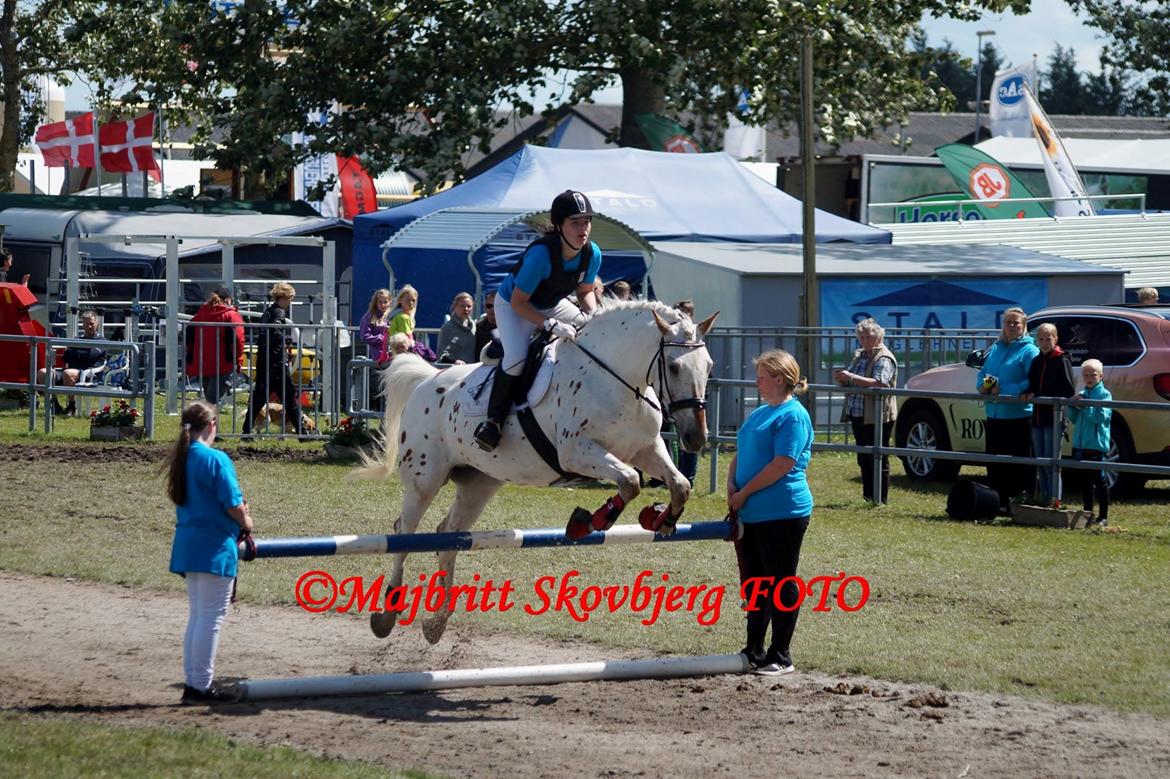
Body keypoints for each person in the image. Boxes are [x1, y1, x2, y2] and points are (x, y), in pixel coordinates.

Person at [473, 189, 601, 452]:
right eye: (575, 222)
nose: (583, 228)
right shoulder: (542, 256)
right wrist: (550, 325)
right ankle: (492, 422)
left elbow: (585, 291)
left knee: (592, 334)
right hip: (512, 304)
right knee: (517, 358)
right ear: (559, 226)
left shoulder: (592, 253)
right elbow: (521, 302)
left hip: (552, 303)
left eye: (587, 221)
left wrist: (592, 316)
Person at [727, 350, 814, 676]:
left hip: (783, 512)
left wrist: (745, 492)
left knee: (780, 580)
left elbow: (783, 464)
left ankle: (781, 654)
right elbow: (742, 451)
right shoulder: (762, 412)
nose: (757, 381)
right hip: (752, 511)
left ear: (779, 378)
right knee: (755, 583)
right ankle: (754, 649)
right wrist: (731, 486)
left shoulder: (793, 415)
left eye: (762, 376)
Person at [166, 400, 252, 704]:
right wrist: (247, 520)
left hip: (189, 544)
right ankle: (200, 685)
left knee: (198, 616)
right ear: (212, 425)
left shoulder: (183, 457)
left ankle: (195, 681)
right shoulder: (216, 459)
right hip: (214, 547)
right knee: (210, 619)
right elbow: (233, 505)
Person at [976, 307, 1040, 509]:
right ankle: (998, 501)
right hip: (995, 414)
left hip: (1018, 416)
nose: (1012, 326)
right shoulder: (996, 348)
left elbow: (1032, 381)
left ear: (1024, 326)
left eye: (1016, 323)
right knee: (995, 463)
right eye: (1008, 322)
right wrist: (985, 386)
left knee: (1018, 464)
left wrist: (1005, 389)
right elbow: (985, 372)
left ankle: (1019, 503)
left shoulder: (1030, 351)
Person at [834, 318, 898, 504]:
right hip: (859, 412)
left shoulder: (884, 357)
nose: (865, 340)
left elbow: (879, 382)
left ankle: (880, 499)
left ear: (879, 336)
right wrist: (842, 378)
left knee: (878, 456)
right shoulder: (861, 356)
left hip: (878, 414)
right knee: (864, 457)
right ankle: (868, 497)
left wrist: (851, 377)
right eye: (861, 337)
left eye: (868, 337)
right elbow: (855, 378)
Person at [1020, 323, 1076, 503]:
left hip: (1054, 417)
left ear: (1056, 339)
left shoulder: (1062, 360)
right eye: (1041, 339)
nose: (1045, 343)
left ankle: (1055, 500)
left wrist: (1042, 394)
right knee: (1040, 461)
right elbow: (1033, 384)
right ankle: (1043, 498)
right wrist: (1028, 392)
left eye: (1048, 339)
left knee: (1053, 462)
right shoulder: (1037, 361)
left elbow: (1067, 390)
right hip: (1037, 418)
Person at [242, 282, 307, 436]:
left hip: (264, 362)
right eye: (290, 298)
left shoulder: (268, 312)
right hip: (276, 363)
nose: (290, 302)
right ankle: (303, 433)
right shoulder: (279, 313)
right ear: (283, 297)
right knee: (290, 400)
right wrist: (285, 340)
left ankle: (246, 431)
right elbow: (276, 332)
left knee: (258, 399)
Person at [37, 309, 106, 416]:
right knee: (43, 372)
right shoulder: (77, 339)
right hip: (70, 370)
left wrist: (76, 352)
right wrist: (75, 353)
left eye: (91, 323)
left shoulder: (101, 341)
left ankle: (71, 406)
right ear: (83, 324)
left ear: (97, 324)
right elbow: (67, 357)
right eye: (86, 324)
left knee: (68, 373)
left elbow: (91, 356)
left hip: (89, 373)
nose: (89, 326)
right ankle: (54, 404)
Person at [1068, 359, 1112, 526]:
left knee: (1100, 481)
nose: (1089, 378)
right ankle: (1088, 514)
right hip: (1080, 445)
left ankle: (1103, 516)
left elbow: (1100, 417)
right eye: (1085, 375)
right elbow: (1073, 418)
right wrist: (1072, 405)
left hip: (1095, 446)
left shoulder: (1105, 395)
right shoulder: (1083, 393)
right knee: (1085, 482)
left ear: (1101, 376)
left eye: (1093, 374)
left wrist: (1085, 406)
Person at [184, 288, 245, 405]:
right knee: (213, 403)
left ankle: (205, 421)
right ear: (228, 300)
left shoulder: (200, 314)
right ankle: (205, 422)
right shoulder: (231, 315)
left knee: (209, 400)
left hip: (202, 363)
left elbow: (189, 334)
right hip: (223, 363)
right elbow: (238, 339)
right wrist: (238, 359)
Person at [673, 298, 699, 486]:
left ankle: (688, 476)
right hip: (678, 395)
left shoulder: (696, 335)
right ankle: (677, 473)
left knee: (691, 437)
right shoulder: (675, 337)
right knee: (677, 438)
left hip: (693, 394)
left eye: (682, 313)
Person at [437, 292, 478, 364]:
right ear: (455, 307)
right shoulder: (447, 328)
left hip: (471, 370)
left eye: (469, 306)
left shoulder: (474, 326)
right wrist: (454, 361)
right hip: (454, 370)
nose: (466, 309)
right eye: (462, 306)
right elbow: (441, 355)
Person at [359, 288, 393, 359]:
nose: (383, 305)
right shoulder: (369, 316)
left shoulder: (392, 315)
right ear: (375, 302)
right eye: (380, 302)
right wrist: (381, 338)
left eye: (385, 302)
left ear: (390, 302)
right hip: (378, 355)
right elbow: (364, 336)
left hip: (392, 353)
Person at [473, 291, 498, 359]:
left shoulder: (509, 328)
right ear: (484, 308)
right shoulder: (476, 328)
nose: (492, 309)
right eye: (489, 306)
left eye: (496, 306)